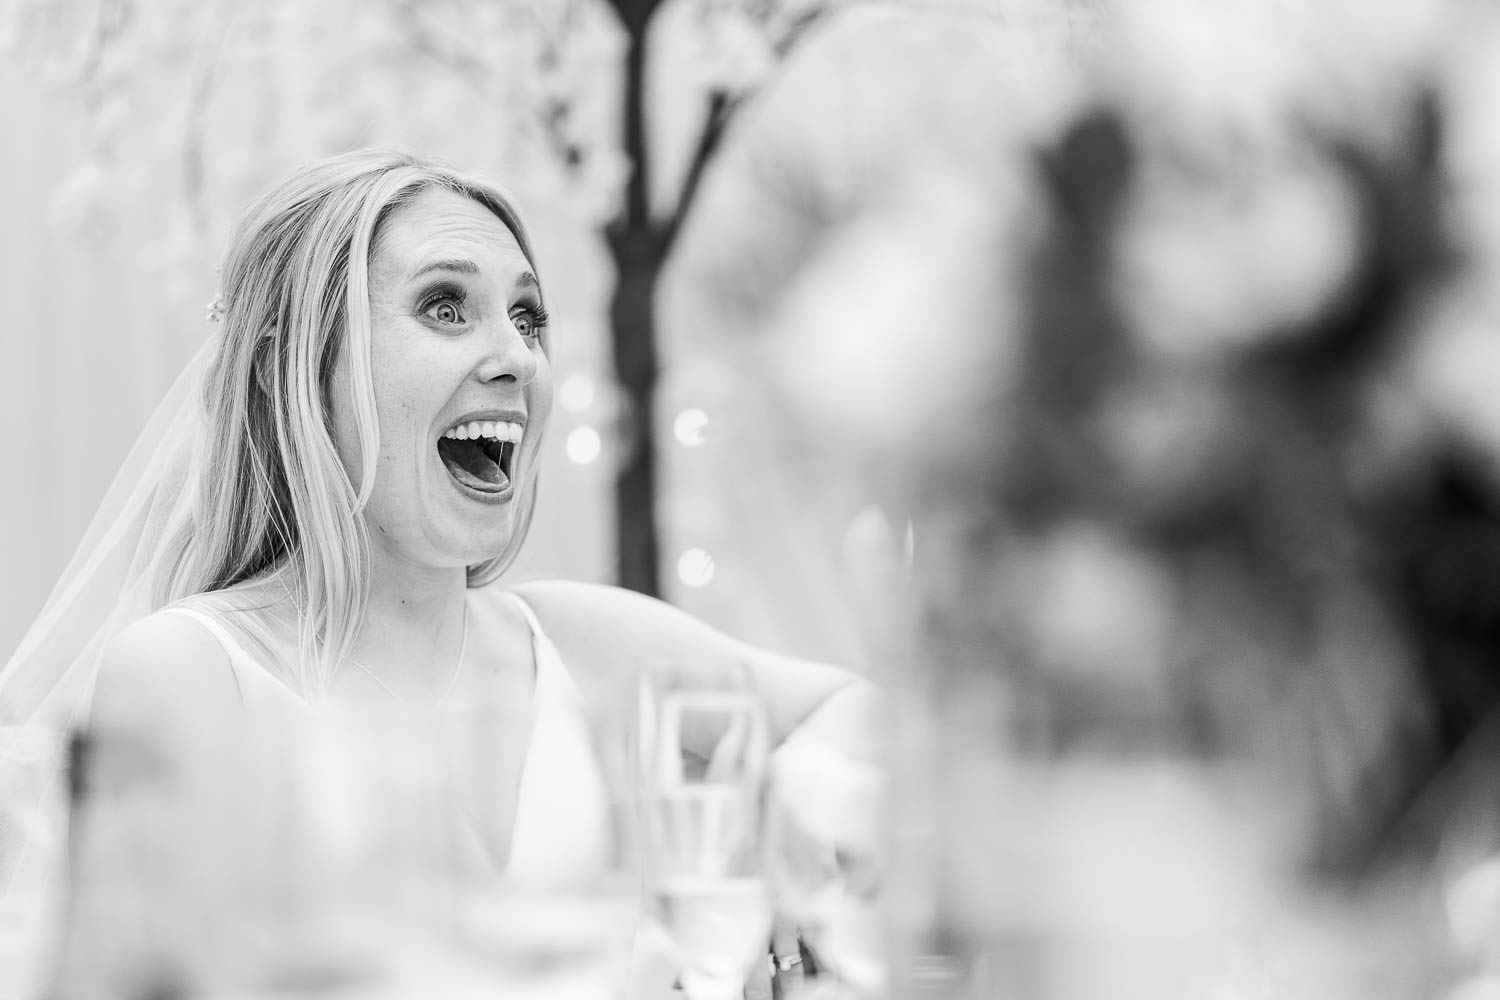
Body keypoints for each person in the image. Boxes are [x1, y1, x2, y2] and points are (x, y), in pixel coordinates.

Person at [0, 148, 881, 997]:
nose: (517, 358)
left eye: (527, 317)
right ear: (300, 365)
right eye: (446, 308)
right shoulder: (194, 673)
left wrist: (799, 807)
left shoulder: (582, 644)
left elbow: (855, 713)